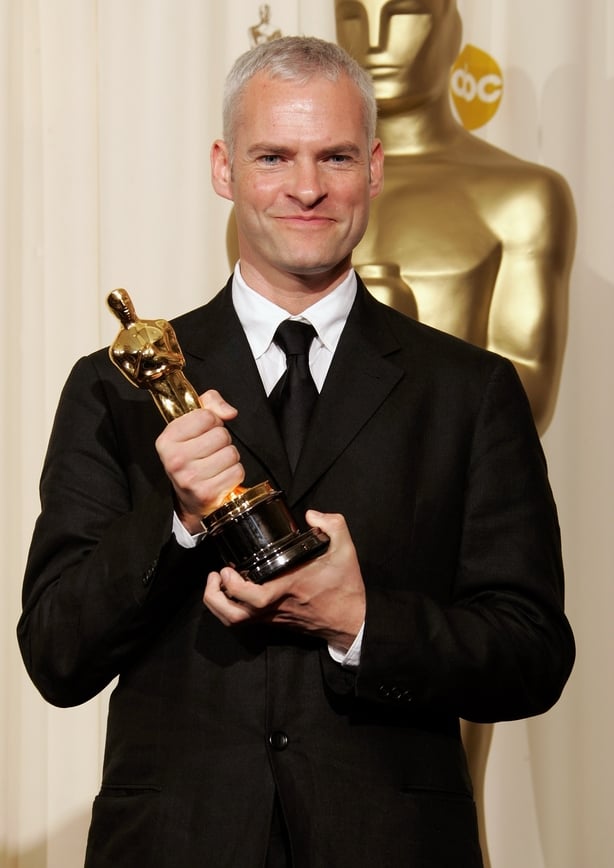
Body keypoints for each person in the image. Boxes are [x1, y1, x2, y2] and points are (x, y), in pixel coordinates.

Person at [17, 35, 574, 868]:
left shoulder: (469, 392)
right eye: (273, 155)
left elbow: (532, 654)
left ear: (376, 169)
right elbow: (56, 654)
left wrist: (360, 622)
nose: (307, 187)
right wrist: (175, 521)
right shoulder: (116, 386)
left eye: (336, 157)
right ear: (223, 167)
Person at [334, 3, 577, 862]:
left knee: (431, 800)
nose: (373, 40)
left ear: (451, 24)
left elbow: (531, 390)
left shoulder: (519, 194)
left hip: (445, 543)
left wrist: (396, 337)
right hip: (308, 536)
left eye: (401, 13)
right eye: (351, 13)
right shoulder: (300, 200)